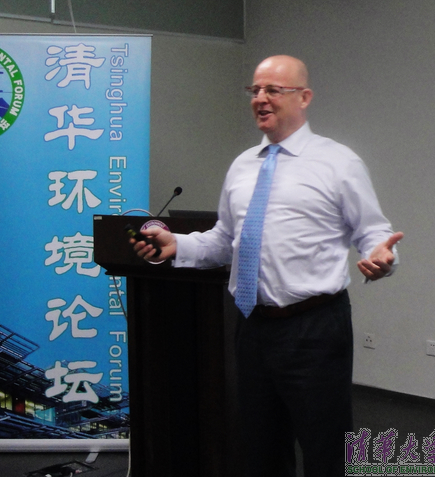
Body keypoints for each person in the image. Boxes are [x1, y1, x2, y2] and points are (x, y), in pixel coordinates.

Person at [132, 55, 403, 477]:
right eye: (255, 90)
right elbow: (224, 241)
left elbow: (373, 232)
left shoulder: (339, 162)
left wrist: (383, 258)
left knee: (326, 449)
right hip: (253, 327)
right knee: (260, 448)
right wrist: (177, 245)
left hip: (315, 327)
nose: (260, 98)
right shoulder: (242, 166)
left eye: (273, 90)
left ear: (304, 97)